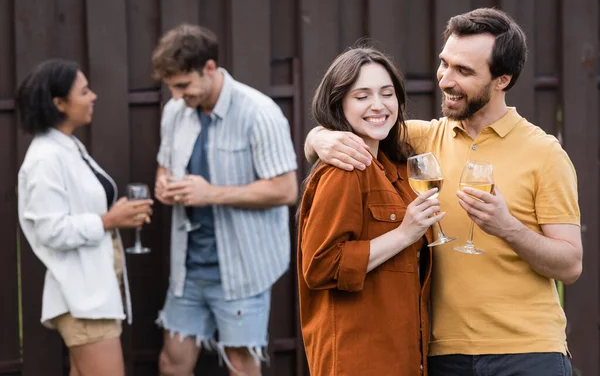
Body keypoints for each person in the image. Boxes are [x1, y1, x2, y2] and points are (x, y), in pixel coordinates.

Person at [305, 8, 582, 375]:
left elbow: (570, 265)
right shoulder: (420, 139)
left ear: (502, 79)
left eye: (463, 71)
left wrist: (507, 227)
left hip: (527, 351)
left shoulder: (544, 153)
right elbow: (364, 125)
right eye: (444, 64)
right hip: (441, 354)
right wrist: (320, 137)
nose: (445, 80)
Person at [151, 24, 298, 376]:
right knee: (172, 362)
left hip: (242, 269)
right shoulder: (176, 111)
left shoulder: (259, 113)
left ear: (210, 68)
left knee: (241, 366)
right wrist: (163, 185)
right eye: (171, 86)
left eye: (183, 86)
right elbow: (163, 166)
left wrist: (211, 194)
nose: (175, 95)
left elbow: (286, 189)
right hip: (188, 267)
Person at [298, 46, 441, 375]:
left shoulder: (397, 165)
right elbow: (320, 266)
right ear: (339, 104)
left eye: (387, 94)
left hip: (402, 355)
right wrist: (405, 233)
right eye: (362, 96)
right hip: (359, 357)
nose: (378, 105)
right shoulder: (344, 170)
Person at [16, 59, 153, 376]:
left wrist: (116, 215)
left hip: (93, 294)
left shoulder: (68, 146)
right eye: (85, 91)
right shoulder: (45, 158)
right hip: (82, 299)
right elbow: (50, 229)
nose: (93, 97)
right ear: (59, 103)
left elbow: (79, 209)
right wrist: (108, 220)